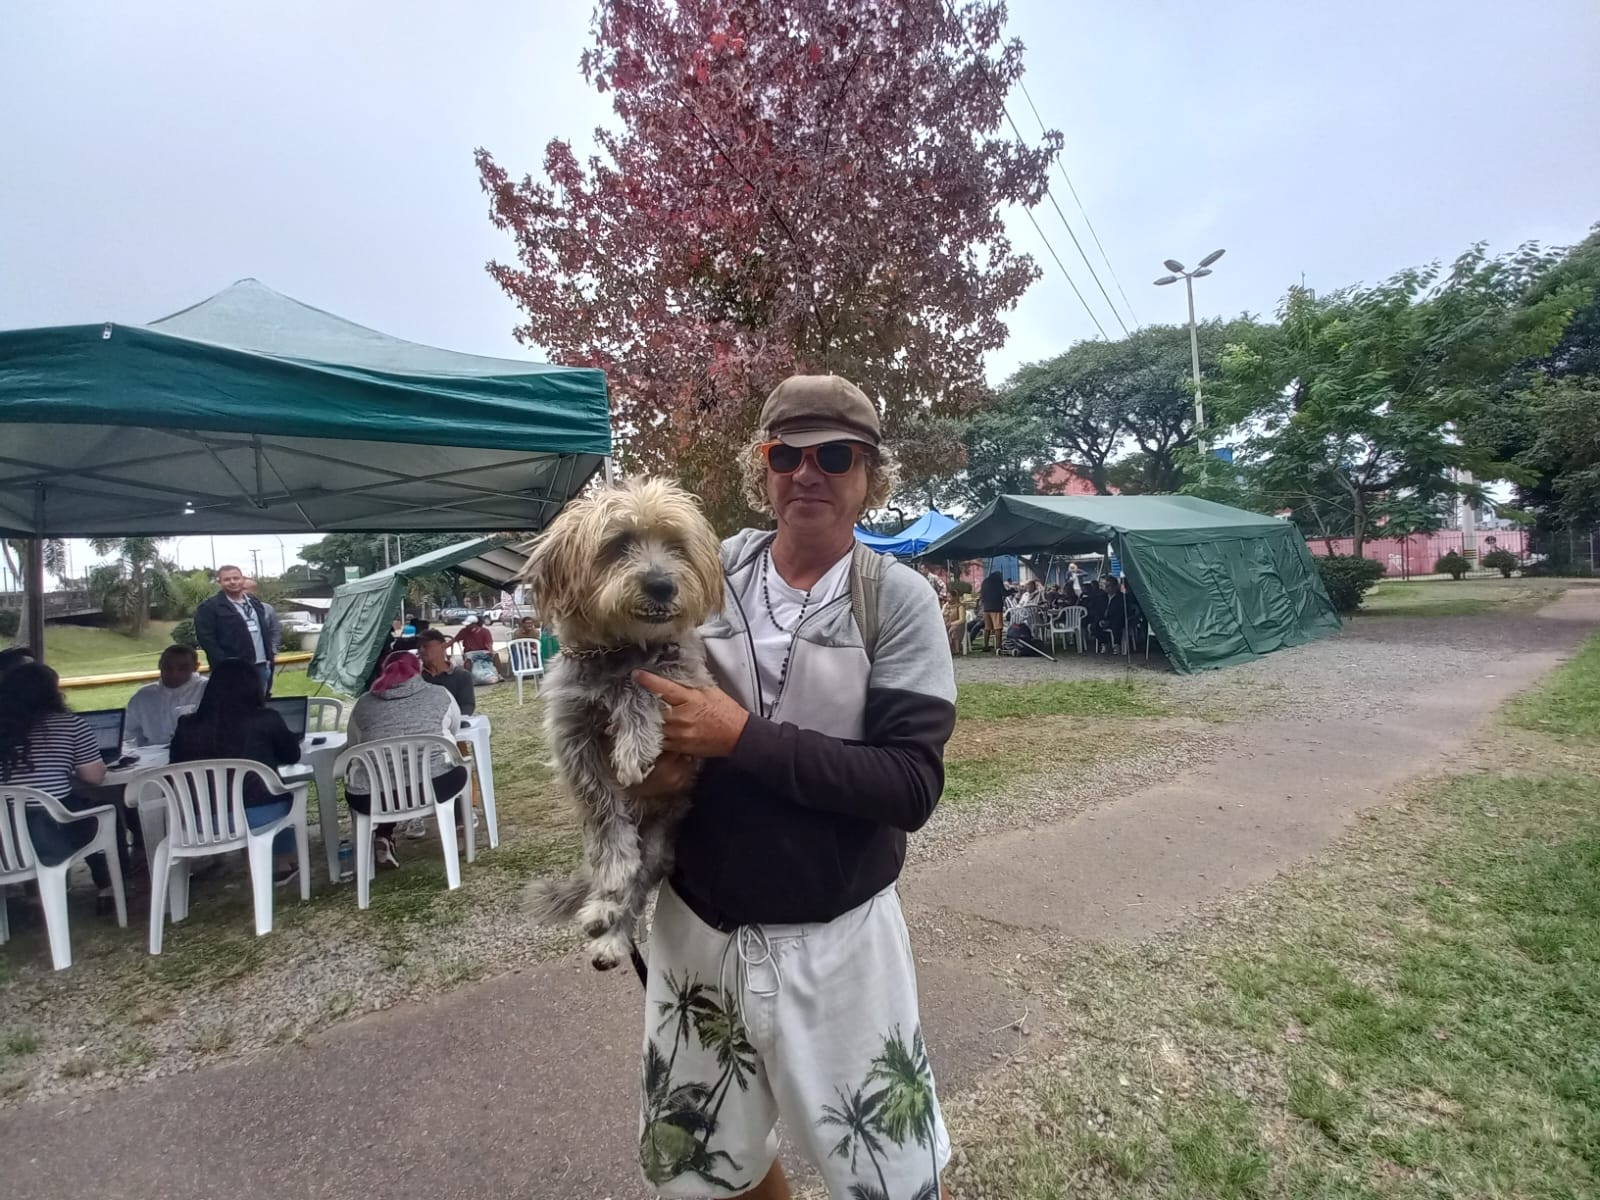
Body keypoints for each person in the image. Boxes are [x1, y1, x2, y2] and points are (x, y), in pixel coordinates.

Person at [630, 373, 958, 1200]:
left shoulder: (898, 601)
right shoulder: (704, 572)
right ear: (762, 467)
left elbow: (910, 785)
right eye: (786, 454)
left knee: (893, 1175)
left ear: (870, 476)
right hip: (697, 929)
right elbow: (618, 682)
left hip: (840, 937)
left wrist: (741, 737)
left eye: (835, 456)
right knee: (706, 1164)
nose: (807, 473)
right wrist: (642, 783)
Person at [0, 662, 132, 902]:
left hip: (5, 835)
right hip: (53, 832)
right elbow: (94, 776)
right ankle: (110, 887)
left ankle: (30, 894)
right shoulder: (70, 725)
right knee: (103, 813)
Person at [169, 659, 303, 885]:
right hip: (257, 814)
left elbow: (175, 766)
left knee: (267, 792)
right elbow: (292, 756)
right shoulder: (265, 719)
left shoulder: (187, 725)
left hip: (200, 821)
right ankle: (282, 861)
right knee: (284, 792)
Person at [344, 651, 465, 869]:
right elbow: (454, 730)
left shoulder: (364, 704)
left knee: (384, 781)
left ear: (384, 671)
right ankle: (458, 824)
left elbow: (354, 745)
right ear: (418, 670)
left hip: (373, 798)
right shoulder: (440, 694)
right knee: (452, 763)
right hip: (435, 787)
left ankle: (382, 835)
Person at [193, 565, 273, 695]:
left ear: (243, 579)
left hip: (261, 665)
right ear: (220, 582)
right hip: (233, 669)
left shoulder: (254, 603)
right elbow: (206, 639)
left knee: (260, 708)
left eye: (236, 578)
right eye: (227, 579)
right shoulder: (210, 607)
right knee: (236, 708)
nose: (232, 582)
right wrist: (224, 664)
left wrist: (270, 657)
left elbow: (265, 631)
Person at [123, 645, 208, 748]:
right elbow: (127, 734)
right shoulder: (143, 696)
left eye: (182, 668)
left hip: (197, 752)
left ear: (196, 667)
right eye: (168, 667)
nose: (174, 673)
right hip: (151, 756)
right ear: (159, 665)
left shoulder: (207, 690)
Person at [418, 628, 475, 716]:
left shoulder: (462, 676)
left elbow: (467, 706)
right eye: (419, 647)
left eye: (426, 646)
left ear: (443, 646)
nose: (421, 650)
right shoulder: (416, 678)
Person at [241, 577, 282, 695]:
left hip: (265, 660)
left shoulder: (267, 609)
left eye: (244, 588)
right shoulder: (233, 608)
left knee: (264, 692)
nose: (241, 591)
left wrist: (272, 651)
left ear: (254, 591)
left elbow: (275, 632)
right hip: (243, 659)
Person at [451, 614, 503, 681]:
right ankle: (469, 678)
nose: (466, 626)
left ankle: (499, 674)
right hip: (470, 652)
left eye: (468, 625)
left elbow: (489, 643)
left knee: (496, 655)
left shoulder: (485, 631)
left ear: (474, 624)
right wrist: (444, 646)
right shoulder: (464, 631)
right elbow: (454, 640)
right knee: (468, 659)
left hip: (484, 651)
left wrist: (491, 651)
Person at [978, 569, 1007, 652]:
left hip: (986, 608)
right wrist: (1012, 591)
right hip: (996, 607)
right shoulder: (997, 581)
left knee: (987, 628)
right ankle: (998, 646)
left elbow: (982, 594)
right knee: (998, 628)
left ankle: (985, 645)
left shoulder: (985, 582)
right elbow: (1004, 593)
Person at [941, 586, 967, 655]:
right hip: (947, 623)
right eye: (947, 597)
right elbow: (941, 614)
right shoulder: (946, 606)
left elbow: (962, 620)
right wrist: (945, 611)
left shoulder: (960, 606)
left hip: (958, 625)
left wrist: (952, 624)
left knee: (954, 629)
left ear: (955, 597)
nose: (948, 599)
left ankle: (956, 650)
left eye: (949, 597)